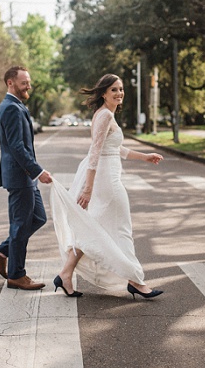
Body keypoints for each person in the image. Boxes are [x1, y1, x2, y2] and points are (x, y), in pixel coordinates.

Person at [50, 74, 164, 300]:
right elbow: (95, 153)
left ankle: (65, 273)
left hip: (108, 176)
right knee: (121, 229)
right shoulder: (104, 116)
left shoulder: (106, 115)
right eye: (114, 90)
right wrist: (88, 188)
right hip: (106, 181)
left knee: (94, 228)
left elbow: (115, 149)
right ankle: (136, 281)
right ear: (103, 93)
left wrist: (145, 157)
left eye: (121, 89)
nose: (119, 93)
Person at [0, 66, 53, 291]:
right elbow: (16, 146)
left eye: (29, 82)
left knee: (38, 218)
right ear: (10, 83)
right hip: (20, 176)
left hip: (25, 178)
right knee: (20, 225)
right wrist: (38, 171)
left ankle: (1, 251)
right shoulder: (11, 108)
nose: (28, 86)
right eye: (24, 82)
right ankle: (16, 275)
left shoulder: (15, 106)